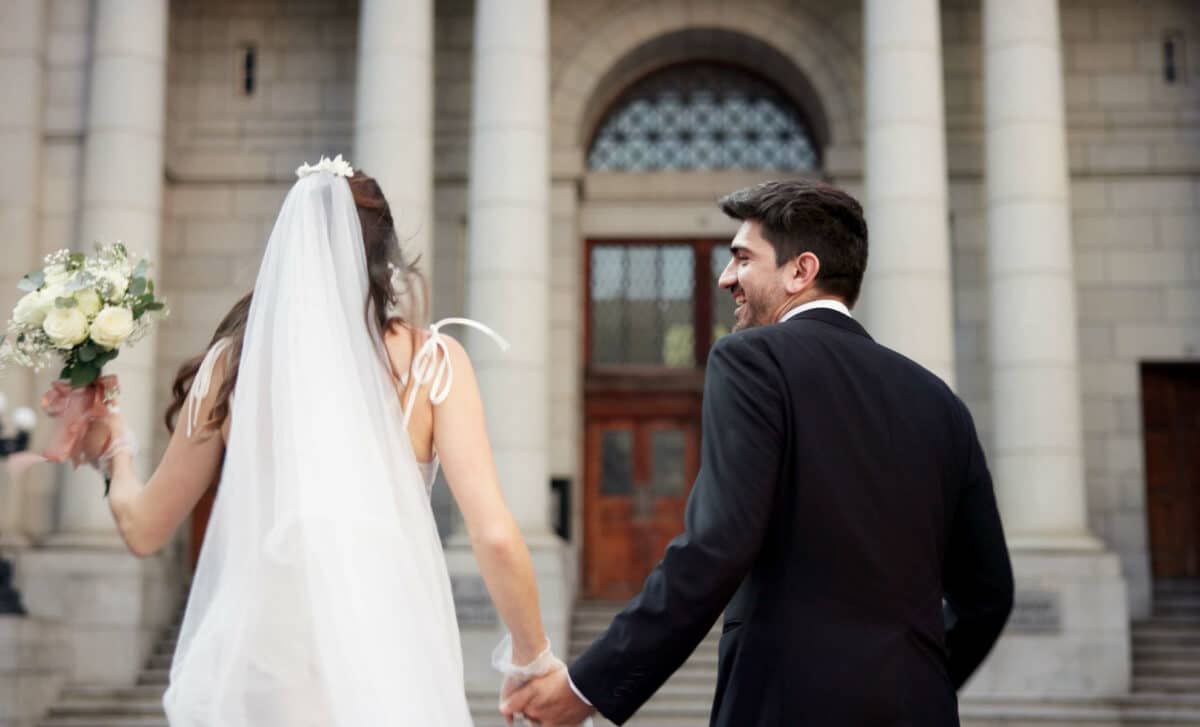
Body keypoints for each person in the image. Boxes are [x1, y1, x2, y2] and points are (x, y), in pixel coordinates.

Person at [502, 179, 1015, 726]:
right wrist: (917, 683)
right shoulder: (940, 402)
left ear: (801, 271)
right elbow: (988, 594)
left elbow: (716, 546)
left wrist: (586, 687)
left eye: (742, 259)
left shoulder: (751, 359)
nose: (726, 278)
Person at [82, 157, 561, 725]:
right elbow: (495, 536)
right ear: (385, 260)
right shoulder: (434, 363)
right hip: (382, 648)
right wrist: (535, 659)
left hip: (262, 656)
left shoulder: (230, 371)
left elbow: (142, 527)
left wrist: (115, 452)